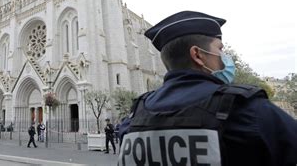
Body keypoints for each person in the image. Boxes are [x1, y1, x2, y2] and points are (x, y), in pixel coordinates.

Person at [118, 11, 297, 166]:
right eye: (220, 49)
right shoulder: (250, 112)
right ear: (197, 55)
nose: (224, 57)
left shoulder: (132, 122)